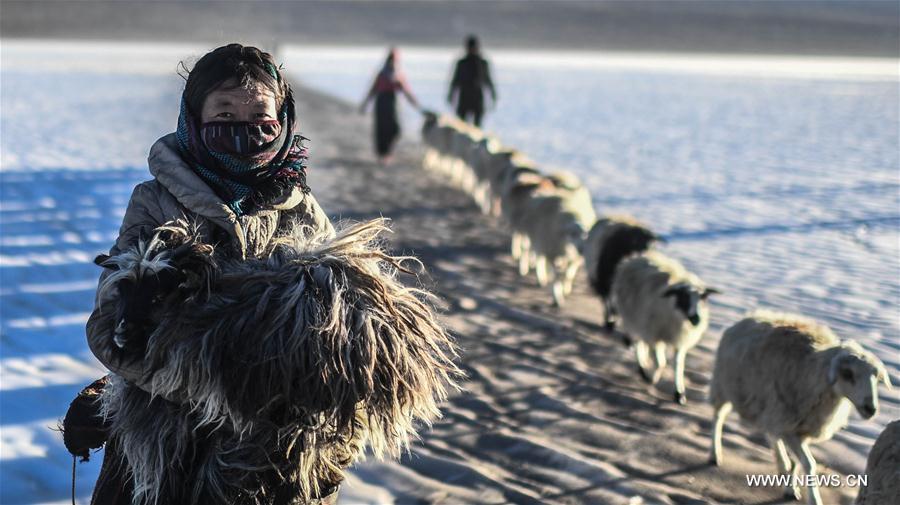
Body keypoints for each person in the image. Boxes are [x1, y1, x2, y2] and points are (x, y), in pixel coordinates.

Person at [63, 43, 336, 504]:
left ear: (283, 120)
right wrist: (212, 385)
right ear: (194, 120)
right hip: (167, 441)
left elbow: (338, 326)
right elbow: (111, 324)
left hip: (274, 450)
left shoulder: (303, 211)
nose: (244, 130)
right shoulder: (155, 201)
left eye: (259, 114)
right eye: (225, 115)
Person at [359, 47, 419, 165]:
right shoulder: (382, 74)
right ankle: (382, 155)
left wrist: (416, 104)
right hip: (382, 103)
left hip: (393, 104)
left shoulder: (398, 74)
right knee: (381, 130)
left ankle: (388, 153)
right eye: (392, 59)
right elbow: (373, 89)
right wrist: (365, 104)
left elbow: (406, 91)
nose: (393, 61)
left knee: (395, 129)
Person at [447, 35, 497, 127]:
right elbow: (455, 81)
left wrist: (493, 94)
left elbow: (488, 80)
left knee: (477, 127)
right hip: (464, 98)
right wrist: (450, 94)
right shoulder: (462, 63)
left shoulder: (482, 63)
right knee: (462, 127)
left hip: (477, 99)